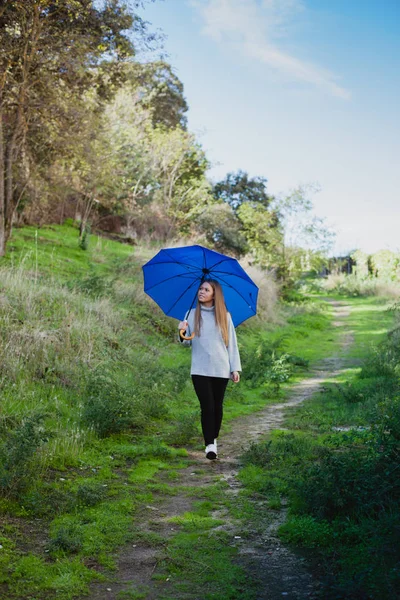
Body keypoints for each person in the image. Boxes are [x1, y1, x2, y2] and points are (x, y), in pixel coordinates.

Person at [178, 279, 241, 460]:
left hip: (221, 368)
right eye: (200, 289)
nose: (201, 292)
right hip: (199, 369)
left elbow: (232, 344)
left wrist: (234, 368)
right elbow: (186, 343)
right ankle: (210, 445)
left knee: (217, 406)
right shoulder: (190, 314)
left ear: (215, 294)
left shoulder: (224, 316)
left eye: (206, 289)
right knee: (207, 406)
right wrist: (181, 332)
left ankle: (213, 437)